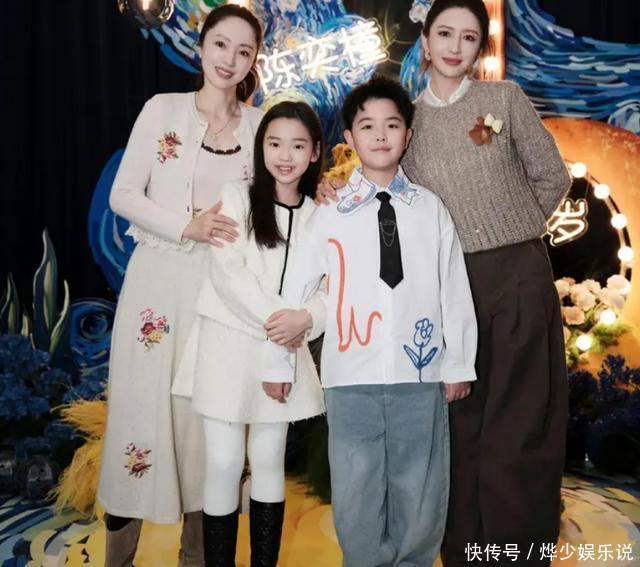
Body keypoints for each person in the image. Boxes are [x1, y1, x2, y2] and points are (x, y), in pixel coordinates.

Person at [319, 1, 571, 564]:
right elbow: (383, 186)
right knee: (457, 426)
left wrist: (510, 230)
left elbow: (552, 176)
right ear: (426, 41)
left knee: (522, 423)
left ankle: (517, 553)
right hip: (442, 288)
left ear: (481, 46)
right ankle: (465, 551)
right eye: (445, 34)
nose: (456, 46)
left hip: (518, 278)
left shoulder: (504, 99)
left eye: (469, 37)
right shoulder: (407, 122)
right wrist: (331, 188)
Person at [261, 75, 478, 567]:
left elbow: (453, 288)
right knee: (356, 490)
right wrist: (277, 362)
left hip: (419, 375)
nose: (380, 135)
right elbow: (296, 290)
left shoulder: (430, 209)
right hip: (350, 377)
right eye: (367, 126)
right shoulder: (328, 212)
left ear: (408, 135)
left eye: (392, 125)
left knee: (420, 489)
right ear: (349, 138)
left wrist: (459, 363)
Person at [97, 5, 264, 566]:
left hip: (224, 296)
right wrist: (185, 225)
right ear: (201, 46)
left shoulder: (260, 126)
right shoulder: (162, 109)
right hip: (156, 287)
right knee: (140, 416)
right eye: (221, 45)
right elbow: (123, 194)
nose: (229, 59)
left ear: (253, 61)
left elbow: (281, 199)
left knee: (210, 428)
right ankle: (119, 557)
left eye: (243, 51)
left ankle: (198, 557)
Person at [172, 101, 326, 567]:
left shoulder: (323, 215)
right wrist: (283, 323)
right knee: (222, 461)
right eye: (274, 144)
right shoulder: (236, 197)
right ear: (260, 149)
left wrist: (308, 318)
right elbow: (228, 275)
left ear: (315, 152)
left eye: (297, 145)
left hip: (286, 351)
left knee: (269, 458)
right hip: (227, 346)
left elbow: (332, 289)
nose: (285, 155)